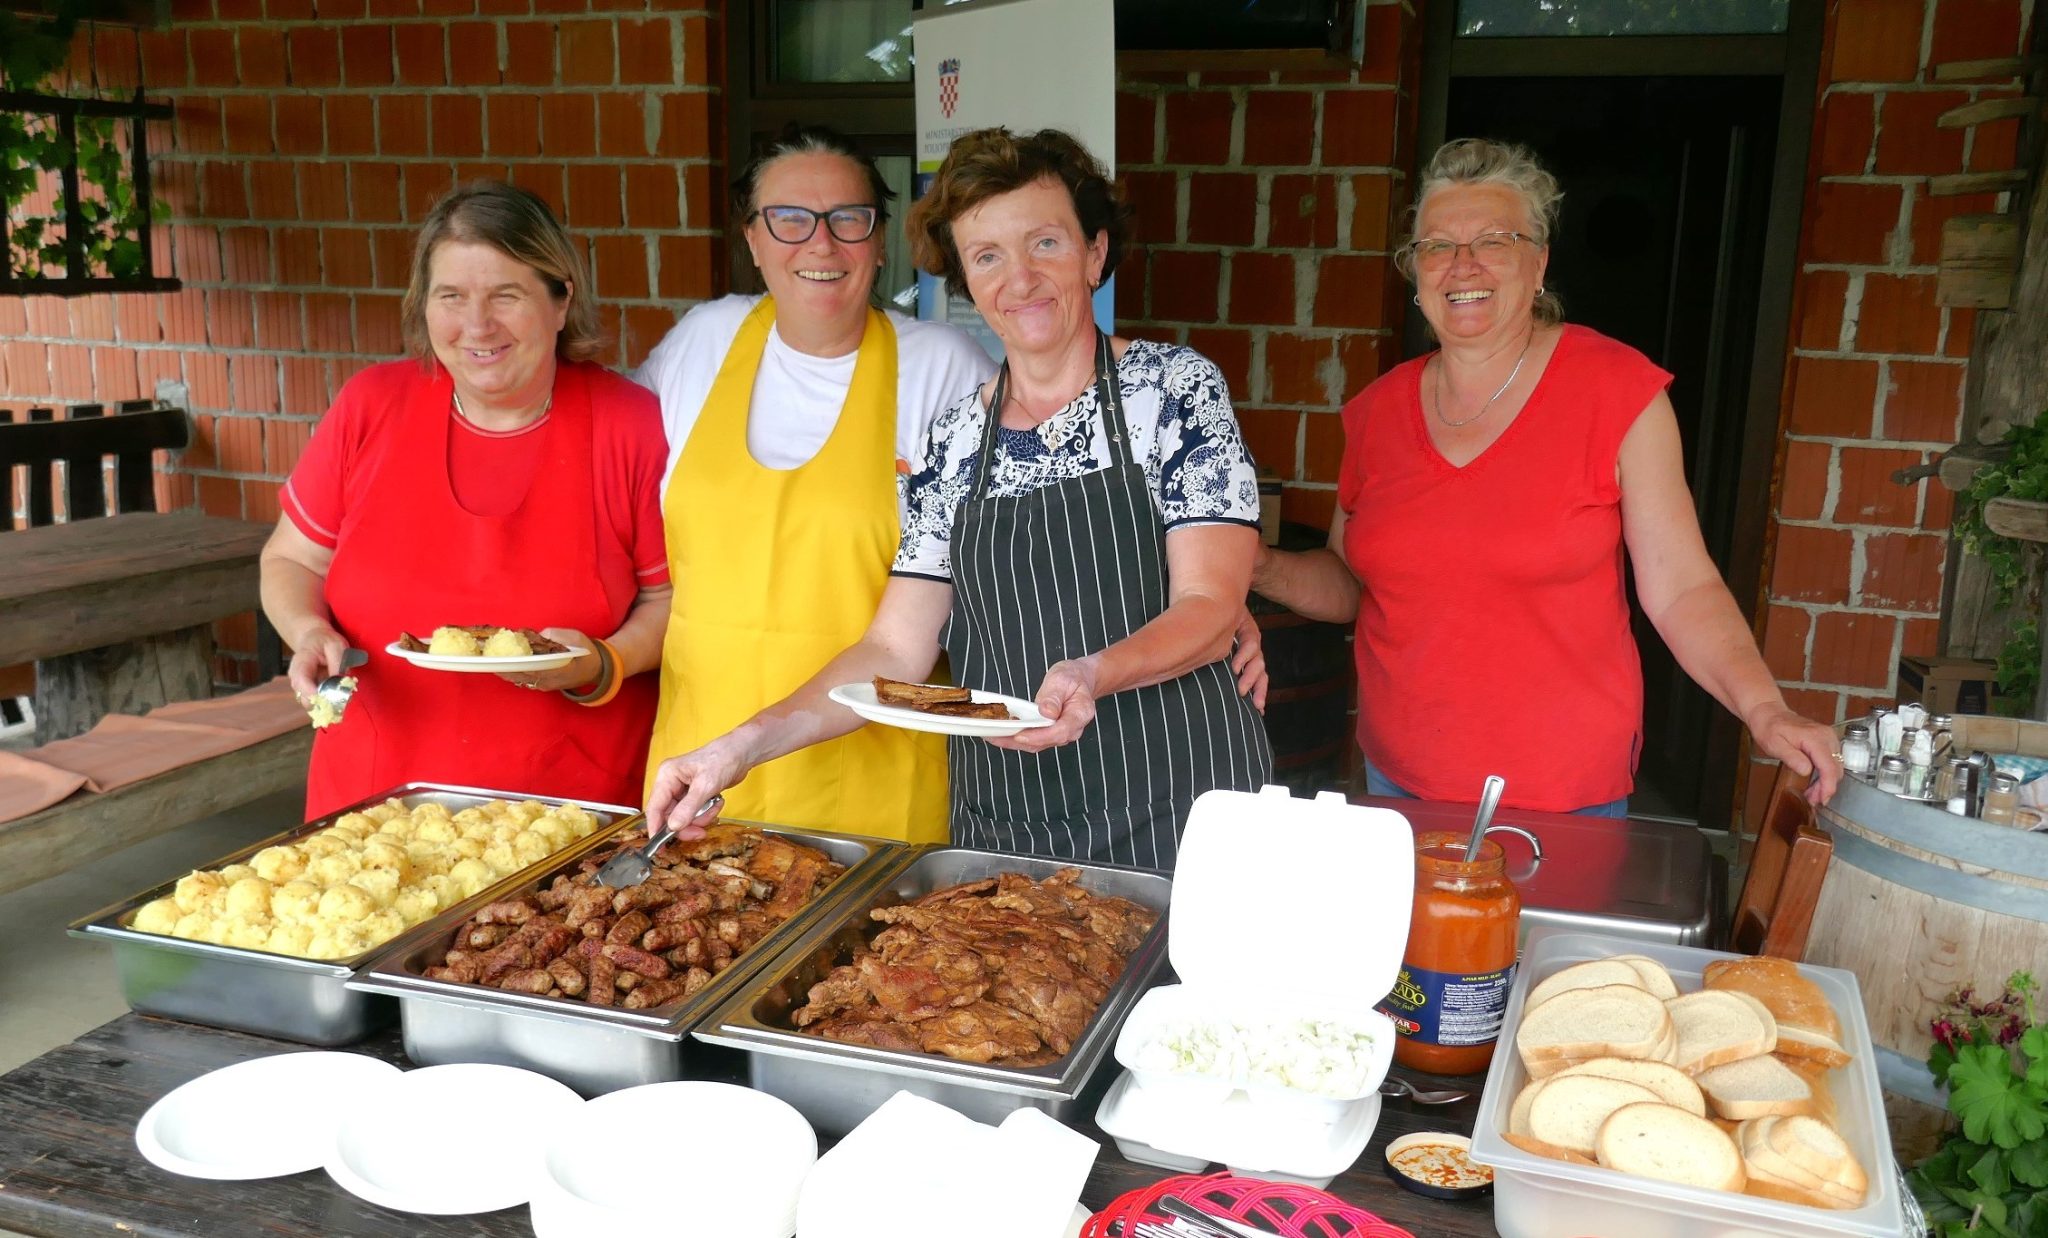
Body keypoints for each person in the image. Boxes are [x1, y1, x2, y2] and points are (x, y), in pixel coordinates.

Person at [646, 127, 1272, 870]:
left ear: (1094, 252)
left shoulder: (1173, 389)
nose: (1020, 279)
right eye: (987, 257)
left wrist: (1092, 674)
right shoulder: (953, 439)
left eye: (1045, 244)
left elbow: (1210, 604)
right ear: (967, 282)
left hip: (1177, 798)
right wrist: (736, 749)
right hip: (1005, 814)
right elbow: (893, 648)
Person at [1250, 137, 1841, 816]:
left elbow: (1682, 587)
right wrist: (1259, 565)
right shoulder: (1376, 412)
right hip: (1400, 781)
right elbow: (1352, 583)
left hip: (1563, 797)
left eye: (1493, 241)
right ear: (1416, 273)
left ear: (1539, 264)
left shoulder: (1616, 391)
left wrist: (1764, 707)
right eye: (1438, 246)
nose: (1462, 264)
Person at [632, 125, 996, 845]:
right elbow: (604, 481)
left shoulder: (945, 368)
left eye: (848, 219)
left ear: (880, 239)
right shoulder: (701, 342)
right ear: (752, 238)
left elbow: (1013, 561)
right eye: (789, 219)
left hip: (879, 786)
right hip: (696, 773)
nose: (821, 244)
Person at [262, 182, 670, 819]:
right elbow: (291, 560)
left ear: (561, 300)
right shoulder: (371, 405)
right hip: (374, 803)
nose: (477, 325)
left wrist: (605, 662)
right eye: (451, 296)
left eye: (506, 295)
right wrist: (308, 631)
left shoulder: (631, 424)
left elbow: (671, 600)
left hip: (568, 807)